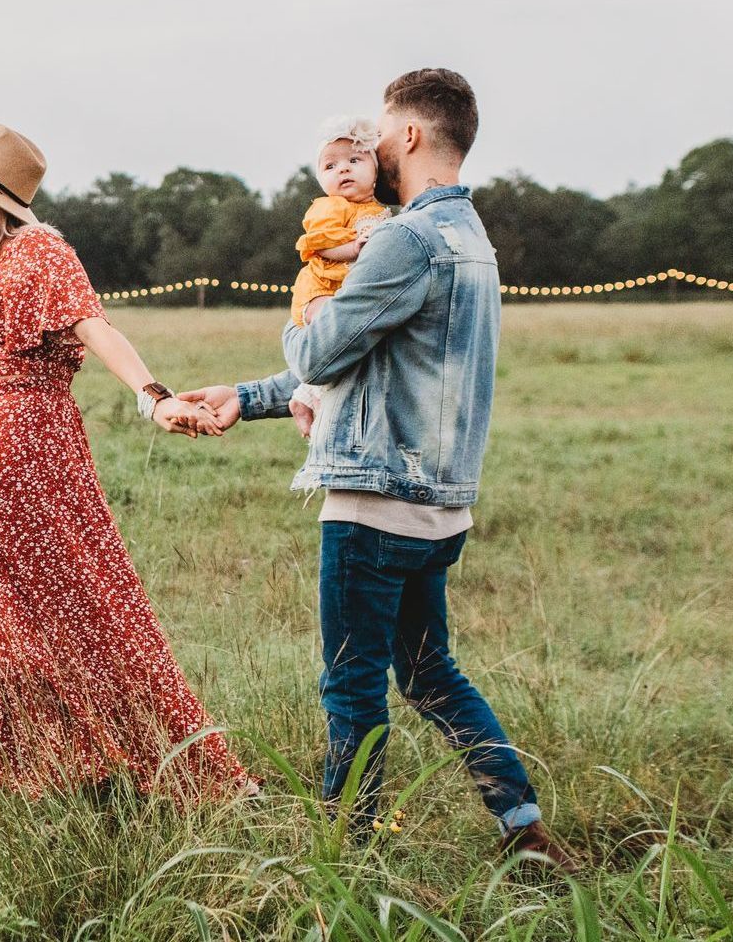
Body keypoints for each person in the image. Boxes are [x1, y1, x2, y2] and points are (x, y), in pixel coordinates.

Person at [180, 69, 579, 870]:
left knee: (351, 686)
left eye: (381, 133)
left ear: (411, 136)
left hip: (373, 503)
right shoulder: (472, 239)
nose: (370, 149)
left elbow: (325, 349)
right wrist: (248, 396)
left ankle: (343, 855)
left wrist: (306, 316)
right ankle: (523, 825)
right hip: (439, 507)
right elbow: (372, 363)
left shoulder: (403, 238)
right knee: (430, 673)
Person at [0, 122, 251, 797]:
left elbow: (95, 324)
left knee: (75, 601)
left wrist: (154, 397)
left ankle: (111, 760)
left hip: (24, 448)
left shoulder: (41, 250)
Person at [287, 116, 392, 435]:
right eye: (330, 166)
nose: (343, 169)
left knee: (351, 344)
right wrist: (354, 248)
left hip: (344, 290)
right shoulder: (330, 207)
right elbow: (319, 243)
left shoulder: (378, 210)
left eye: (354, 160)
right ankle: (309, 398)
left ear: (375, 170)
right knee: (333, 335)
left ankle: (307, 397)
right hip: (320, 289)